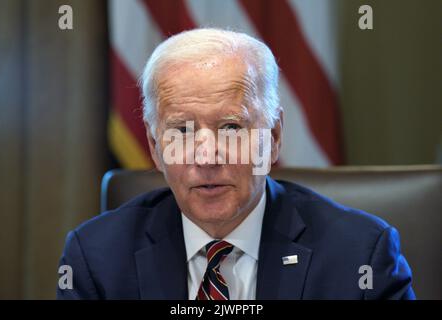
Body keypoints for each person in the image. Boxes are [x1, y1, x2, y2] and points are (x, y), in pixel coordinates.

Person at [57, 28, 415, 300]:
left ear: (273, 138)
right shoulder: (96, 258)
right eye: (182, 130)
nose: (207, 157)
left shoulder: (359, 255)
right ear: (154, 146)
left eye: (230, 127)